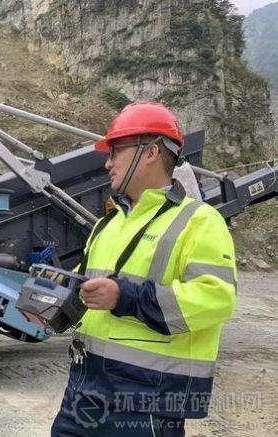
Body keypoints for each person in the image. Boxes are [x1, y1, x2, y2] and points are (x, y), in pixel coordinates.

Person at [51, 102, 237, 436]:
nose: (107, 163)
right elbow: (84, 290)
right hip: (83, 392)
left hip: (146, 403)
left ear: (150, 152)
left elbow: (216, 299)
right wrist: (53, 296)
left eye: (115, 151)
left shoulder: (199, 221)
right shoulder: (108, 224)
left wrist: (126, 297)